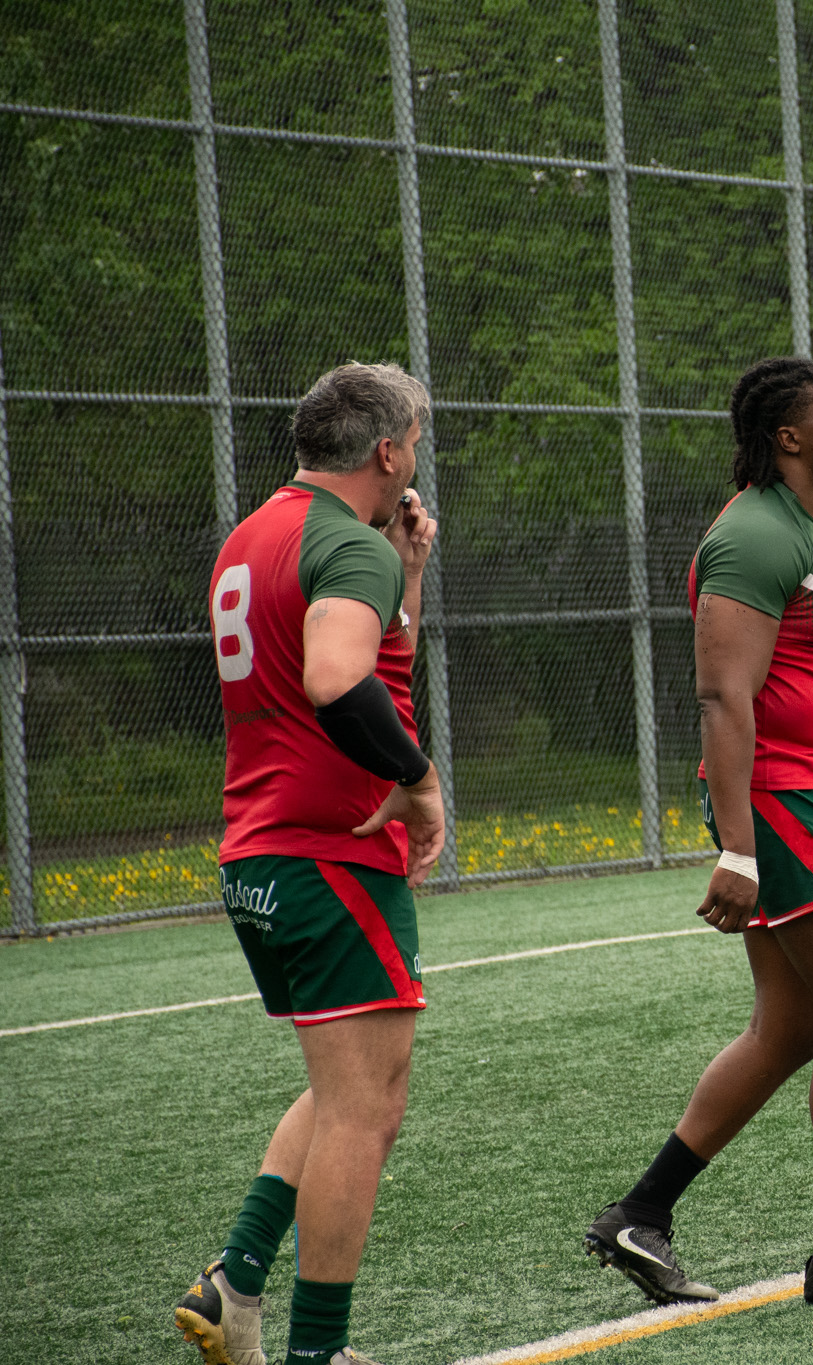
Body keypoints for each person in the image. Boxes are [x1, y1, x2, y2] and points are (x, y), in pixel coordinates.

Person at [583, 357, 813, 1308]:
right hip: (785, 799)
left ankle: (639, 1215)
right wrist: (738, 846)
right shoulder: (749, 536)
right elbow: (721, 696)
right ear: (789, 436)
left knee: (789, 1026)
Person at [176, 362, 445, 1365]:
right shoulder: (344, 543)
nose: (416, 462)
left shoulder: (256, 536)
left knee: (349, 1089)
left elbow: (365, 667)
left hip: (262, 853)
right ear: (388, 451)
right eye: (415, 442)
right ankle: (319, 1351)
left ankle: (236, 1282)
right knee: (365, 1110)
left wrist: (405, 580)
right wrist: (418, 779)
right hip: (329, 856)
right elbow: (337, 679)